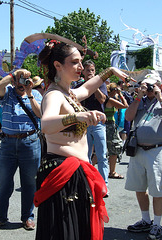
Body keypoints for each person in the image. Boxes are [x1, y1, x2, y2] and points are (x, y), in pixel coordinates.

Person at [34, 41, 129, 240]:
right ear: (58, 65)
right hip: (62, 173)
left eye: (81, 62)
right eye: (75, 62)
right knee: (65, 232)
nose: (80, 67)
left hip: (76, 172)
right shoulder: (54, 95)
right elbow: (46, 124)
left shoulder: (69, 94)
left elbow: (87, 88)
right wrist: (78, 117)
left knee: (78, 229)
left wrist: (110, 70)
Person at [0, 69, 42, 230]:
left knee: (29, 183)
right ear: (14, 81)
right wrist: (15, 74)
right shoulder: (7, 93)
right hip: (8, 143)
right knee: (3, 182)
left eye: (27, 80)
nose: (23, 83)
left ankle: (27, 217)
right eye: (21, 80)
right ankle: (0, 216)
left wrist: (29, 93)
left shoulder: (36, 94)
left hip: (30, 142)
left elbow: (40, 113)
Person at [125, 74, 162, 240]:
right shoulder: (140, 101)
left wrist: (160, 96)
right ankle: (146, 220)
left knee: (157, 190)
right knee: (139, 187)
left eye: (152, 86)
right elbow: (128, 117)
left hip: (156, 150)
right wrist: (138, 98)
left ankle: (157, 224)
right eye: (146, 85)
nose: (149, 89)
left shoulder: (160, 101)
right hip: (138, 150)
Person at [74, 60, 109, 193]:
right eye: (88, 70)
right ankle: (87, 183)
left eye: (92, 70)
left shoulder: (101, 85)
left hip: (99, 123)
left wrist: (94, 86)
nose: (90, 72)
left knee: (101, 155)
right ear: (83, 72)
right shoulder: (80, 86)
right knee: (85, 155)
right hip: (85, 124)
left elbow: (102, 100)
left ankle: (104, 185)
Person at [105, 82, 128, 179]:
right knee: (113, 149)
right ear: (114, 90)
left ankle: (90, 169)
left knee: (101, 150)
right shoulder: (110, 100)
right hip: (109, 125)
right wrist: (121, 94)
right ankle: (112, 171)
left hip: (105, 125)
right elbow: (125, 105)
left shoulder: (104, 99)